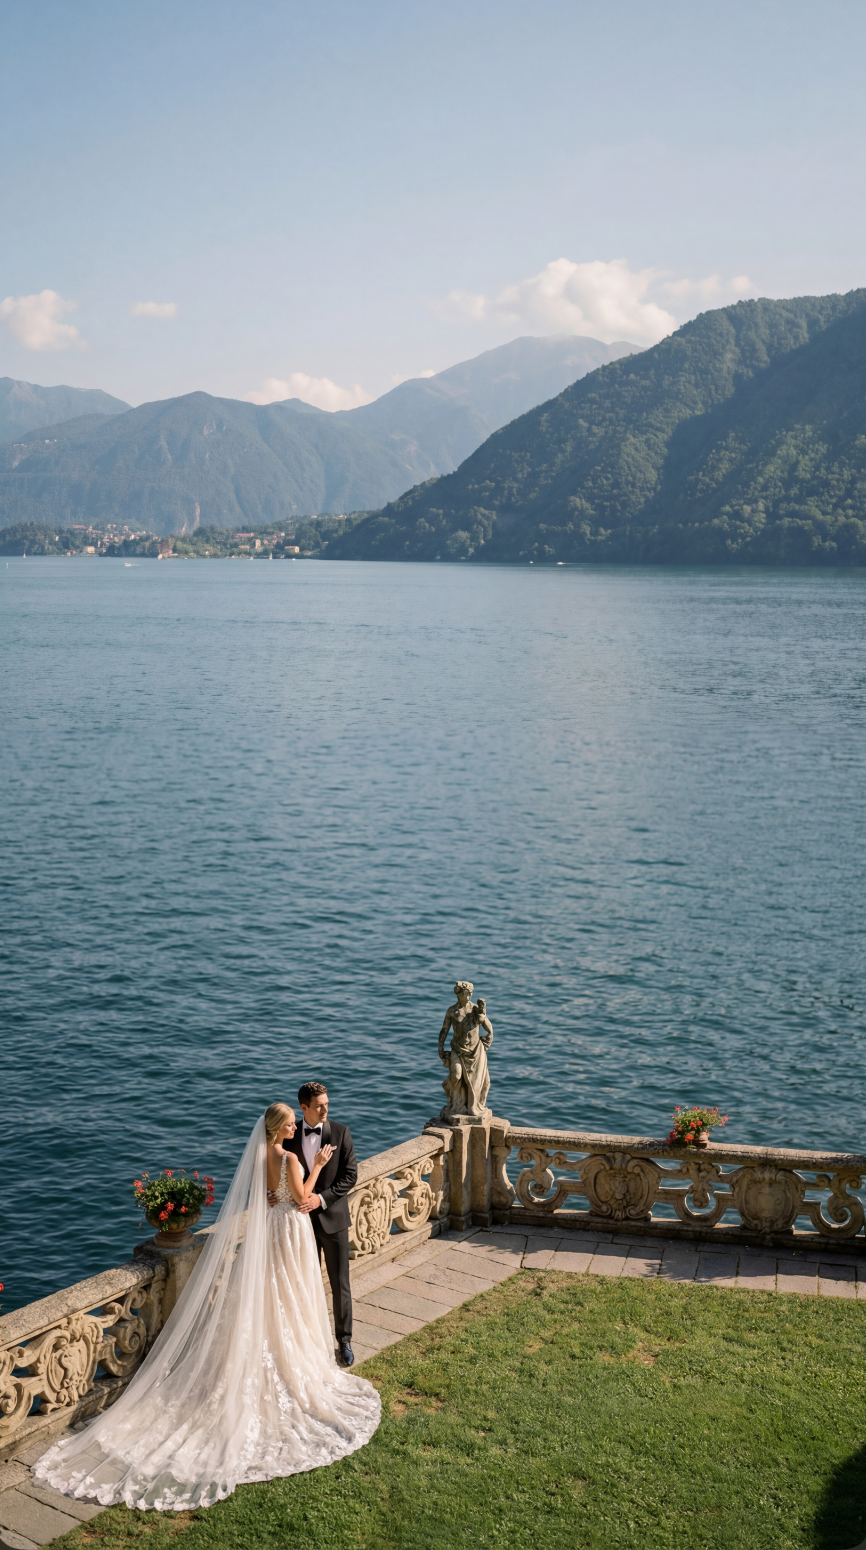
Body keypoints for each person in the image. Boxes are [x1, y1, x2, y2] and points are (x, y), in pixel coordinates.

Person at [32, 1104, 380, 1512]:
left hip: (271, 1227)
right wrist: (317, 1165)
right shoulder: (288, 1157)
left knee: (273, 1291)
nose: (294, 1126)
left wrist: (284, 1187)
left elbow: (270, 1195)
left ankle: (274, 1348)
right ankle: (289, 1358)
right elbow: (302, 1197)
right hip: (290, 1228)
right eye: (290, 1122)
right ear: (278, 1127)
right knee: (289, 1291)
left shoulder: (264, 1155)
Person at [282, 1081, 357, 1366]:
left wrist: (321, 1199)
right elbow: (278, 1170)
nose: (325, 1109)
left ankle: (344, 1340)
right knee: (302, 1282)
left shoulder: (340, 1132)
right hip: (298, 1222)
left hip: (333, 1219)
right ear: (304, 1108)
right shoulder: (288, 1135)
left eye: (327, 1103)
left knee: (340, 1284)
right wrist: (272, 1193)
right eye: (319, 1106)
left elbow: (350, 1176)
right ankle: (307, 1341)